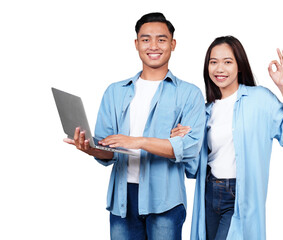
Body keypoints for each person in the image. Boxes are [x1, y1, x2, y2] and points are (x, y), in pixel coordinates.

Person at [63, 12, 206, 240]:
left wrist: (137, 141)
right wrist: (90, 149)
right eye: (146, 39)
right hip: (123, 198)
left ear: (173, 44)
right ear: (136, 43)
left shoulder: (189, 94)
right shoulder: (115, 92)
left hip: (166, 199)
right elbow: (107, 150)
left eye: (161, 39)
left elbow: (188, 148)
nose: (153, 46)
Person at [171, 36, 283, 240]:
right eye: (213, 62)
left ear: (239, 66)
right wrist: (183, 139)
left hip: (239, 195)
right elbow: (192, 171)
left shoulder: (260, 99)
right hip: (209, 192)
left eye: (227, 62)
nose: (220, 69)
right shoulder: (205, 110)